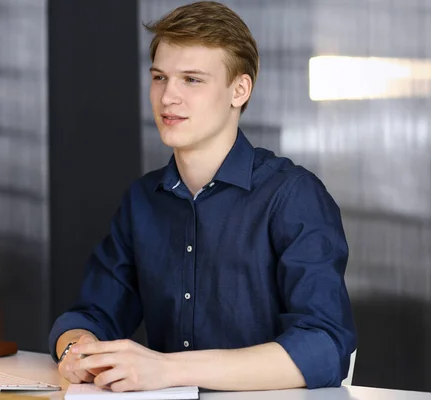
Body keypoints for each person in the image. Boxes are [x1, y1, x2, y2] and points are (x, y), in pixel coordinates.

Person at [49, 0, 357, 392]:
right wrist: (79, 349)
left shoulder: (293, 195)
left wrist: (170, 370)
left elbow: (325, 346)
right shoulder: (142, 200)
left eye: (191, 80)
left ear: (239, 90)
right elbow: (92, 313)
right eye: (160, 78)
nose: (167, 98)